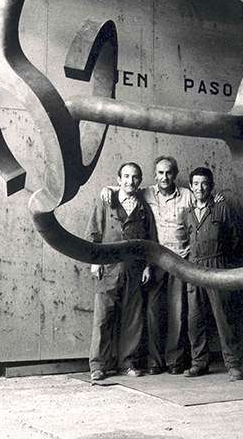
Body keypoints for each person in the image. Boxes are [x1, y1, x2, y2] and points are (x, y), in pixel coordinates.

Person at [101, 156, 225, 375]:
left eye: (168, 173)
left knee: (177, 313)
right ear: (155, 175)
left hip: (180, 261)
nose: (164, 177)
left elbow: (205, 202)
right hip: (155, 262)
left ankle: (174, 361)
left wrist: (218, 198)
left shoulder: (187, 194)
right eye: (160, 173)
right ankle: (154, 362)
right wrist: (108, 188)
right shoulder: (146, 193)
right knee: (152, 312)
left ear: (175, 174)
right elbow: (125, 189)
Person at [85, 162, 157, 382]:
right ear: (118, 180)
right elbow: (94, 233)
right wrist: (94, 261)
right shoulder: (106, 201)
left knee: (132, 319)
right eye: (125, 176)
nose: (130, 181)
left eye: (135, 177)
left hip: (134, 270)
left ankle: (128, 363)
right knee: (103, 318)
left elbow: (151, 240)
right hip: (108, 269)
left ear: (140, 180)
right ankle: (98, 365)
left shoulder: (144, 208)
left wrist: (147, 266)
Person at [181, 167, 243, 382]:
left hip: (217, 265)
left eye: (205, 183)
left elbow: (236, 238)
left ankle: (233, 364)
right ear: (191, 186)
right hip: (193, 269)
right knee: (194, 319)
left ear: (211, 186)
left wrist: (223, 261)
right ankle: (199, 363)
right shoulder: (187, 212)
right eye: (196, 184)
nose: (200, 188)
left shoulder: (221, 208)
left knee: (223, 318)